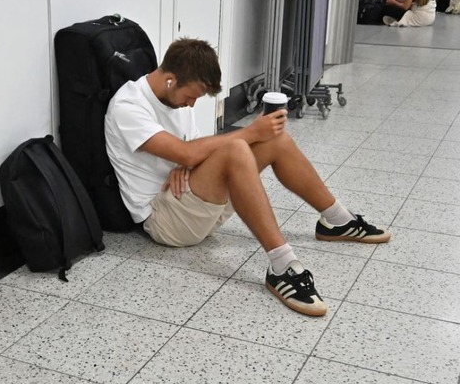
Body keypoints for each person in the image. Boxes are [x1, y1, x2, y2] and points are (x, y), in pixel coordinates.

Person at [105, 39, 391, 318]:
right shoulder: (128, 106)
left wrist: (186, 159)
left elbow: (192, 150)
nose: (191, 105)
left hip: (192, 203)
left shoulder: (174, 98)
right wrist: (202, 151)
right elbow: (190, 152)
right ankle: (282, 266)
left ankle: (337, 220)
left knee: (275, 140)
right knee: (237, 146)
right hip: (164, 219)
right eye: (191, 96)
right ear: (170, 80)